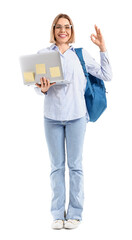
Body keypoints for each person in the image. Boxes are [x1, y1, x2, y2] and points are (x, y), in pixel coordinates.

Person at [34, 13, 112, 229]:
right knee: (56, 167)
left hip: (77, 117)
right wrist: (42, 89)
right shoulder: (44, 54)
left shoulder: (80, 54)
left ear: (71, 30)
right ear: (53, 30)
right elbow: (38, 86)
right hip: (52, 118)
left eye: (67, 27)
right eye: (58, 27)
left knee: (75, 166)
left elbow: (107, 74)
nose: (63, 31)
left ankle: (75, 214)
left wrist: (102, 47)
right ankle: (58, 214)